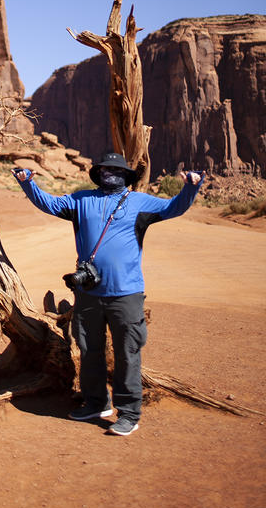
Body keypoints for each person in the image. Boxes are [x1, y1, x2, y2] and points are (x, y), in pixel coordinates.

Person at [12, 151, 204, 436]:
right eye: (104, 170)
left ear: (126, 175)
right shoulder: (80, 200)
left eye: (115, 170)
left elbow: (174, 207)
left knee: (128, 352)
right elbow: (49, 203)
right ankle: (95, 402)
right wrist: (28, 183)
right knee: (89, 351)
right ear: (97, 173)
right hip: (88, 293)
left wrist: (190, 187)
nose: (109, 174)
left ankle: (128, 413)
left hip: (126, 294)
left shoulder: (139, 202)